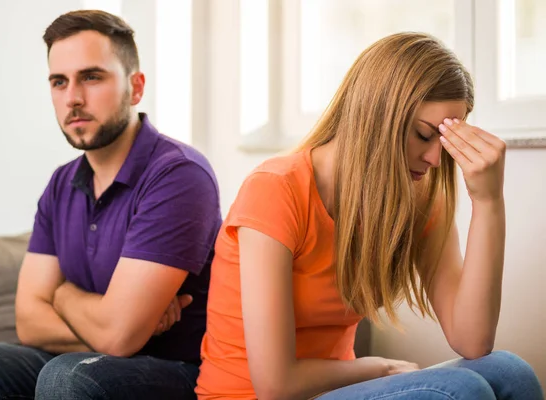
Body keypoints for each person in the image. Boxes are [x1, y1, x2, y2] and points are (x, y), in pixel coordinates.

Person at [195, 32, 543, 399]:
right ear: (376, 116)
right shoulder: (276, 189)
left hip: (335, 391)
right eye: (424, 135)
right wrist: (382, 367)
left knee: (509, 371)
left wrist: (488, 202)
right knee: (458, 391)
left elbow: (472, 340)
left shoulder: (418, 197)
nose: (435, 160)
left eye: (445, 143)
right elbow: (275, 385)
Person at [0, 9, 221, 400]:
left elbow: (119, 335)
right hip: (92, 358)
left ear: (136, 87)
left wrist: (62, 295)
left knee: (67, 378)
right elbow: (29, 322)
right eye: (59, 82)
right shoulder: (61, 184)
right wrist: (111, 324)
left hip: (180, 369)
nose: (73, 98)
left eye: (91, 77)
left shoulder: (178, 175)